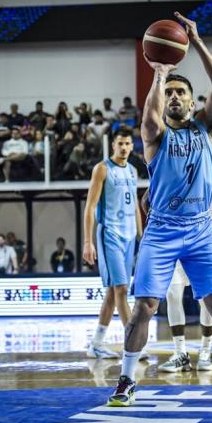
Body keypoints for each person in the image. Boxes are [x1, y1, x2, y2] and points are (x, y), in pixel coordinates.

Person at [107, 12, 212, 407]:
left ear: (191, 100)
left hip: (201, 230)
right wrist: (159, 74)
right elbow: (150, 118)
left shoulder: (208, 128)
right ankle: (126, 380)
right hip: (162, 230)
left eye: (180, 92)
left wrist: (197, 42)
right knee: (144, 307)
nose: (174, 97)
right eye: (169, 92)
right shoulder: (155, 137)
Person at [141, 171, 212, 373]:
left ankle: (205, 350)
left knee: (207, 299)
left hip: (201, 242)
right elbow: (145, 201)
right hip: (174, 239)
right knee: (173, 295)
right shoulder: (170, 168)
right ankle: (180, 353)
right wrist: (159, 225)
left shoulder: (210, 172)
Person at [83, 128, 142, 359]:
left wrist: (142, 237)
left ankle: (96, 345)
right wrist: (88, 242)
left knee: (112, 292)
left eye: (127, 143)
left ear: (132, 146)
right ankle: (133, 344)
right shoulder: (102, 169)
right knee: (122, 289)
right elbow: (90, 207)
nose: (124, 148)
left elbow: (135, 206)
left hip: (129, 236)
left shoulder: (133, 171)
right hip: (111, 234)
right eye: (120, 144)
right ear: (113, 145)